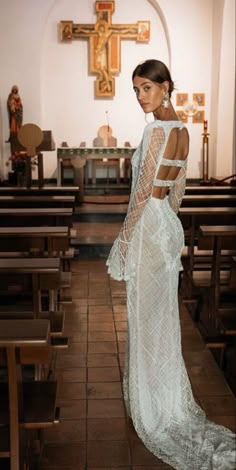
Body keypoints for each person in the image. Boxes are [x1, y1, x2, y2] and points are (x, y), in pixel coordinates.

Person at [106, 59, 236, 469]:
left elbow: (142, 192)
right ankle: (161, 394)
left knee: (146, 318)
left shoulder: (156, 130)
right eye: (137, 90)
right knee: (160, 317)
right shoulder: (183, 131)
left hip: (147, 226)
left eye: (147, 88)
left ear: (165, 87)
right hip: (166, 225)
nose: (141, 96)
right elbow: (176, 187)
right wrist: (171, 228)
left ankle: (153, 405)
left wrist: (124, 239)